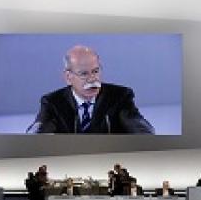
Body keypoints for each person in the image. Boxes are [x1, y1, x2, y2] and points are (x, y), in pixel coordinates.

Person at [26, 45, 154, 134]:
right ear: (68, 77)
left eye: (96, 71)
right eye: (84, 74)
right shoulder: (53, 102)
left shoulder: (120, 96)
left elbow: (136, 124)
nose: (92, 79)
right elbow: (40, 129)